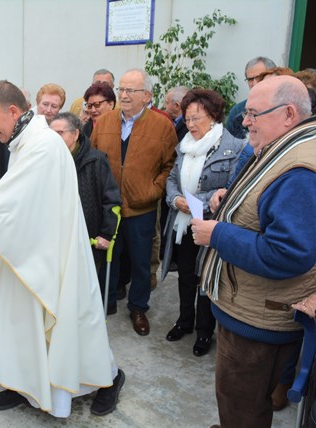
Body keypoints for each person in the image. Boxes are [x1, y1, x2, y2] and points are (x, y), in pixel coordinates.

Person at [0, 80, 123, 418]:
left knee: (70, 316)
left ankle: (107, 378)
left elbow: (11, 198)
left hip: (54, 249)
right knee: (28, 318)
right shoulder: (26, 141)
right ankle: (30, 385)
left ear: (13, 111)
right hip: (35, 244)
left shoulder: (43, 145)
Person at [192, 76, 316, 428]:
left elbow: (288, 253)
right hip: (253, 308)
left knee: (241, 405)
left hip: (259, 320)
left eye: (252, 114)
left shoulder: (299, 170)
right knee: (241, 404)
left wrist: (218, 233)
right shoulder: (288, 146)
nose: (244, 122)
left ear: (289, 113)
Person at [90, 68, 177, 336]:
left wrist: (153, 189)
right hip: (110, 206)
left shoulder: (162, 126)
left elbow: (170, 165)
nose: (124, 95)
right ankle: (106, 301)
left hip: (142, 207)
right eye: (122, 90)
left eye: (131, 90)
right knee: (108, 257)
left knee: (140, 261)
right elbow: (93, 158)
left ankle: (138, 307)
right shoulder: (104, 122)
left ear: (146, 95)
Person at [160, 89, 245, 357]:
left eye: (197, 118)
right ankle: (185, 320)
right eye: (187, 118)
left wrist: (195, 199)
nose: (191, 124)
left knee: (206, 280)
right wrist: (176, 200)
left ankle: (204, 331)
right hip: (184, 222)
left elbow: (231, 189)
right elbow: (172, 179)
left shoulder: (233, 148)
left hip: (211, 226)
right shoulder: (185, 144)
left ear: (214, 116)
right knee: (185, 275)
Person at [49, 112, 122, 313]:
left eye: (60, 133)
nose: (55, 138)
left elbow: (112, 200)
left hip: (90, 238)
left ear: (75, 134)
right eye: (51, 134)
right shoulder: (48, 161)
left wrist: (106, 234)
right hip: (59, 237)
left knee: (87, 286)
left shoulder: (96, 161)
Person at [225, 56, 276, 139]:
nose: (255, 83)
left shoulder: (283, 109)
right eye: (250, 79)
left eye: (259, 77)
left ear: (273, 77)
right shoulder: (237, 111)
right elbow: (228, 144)